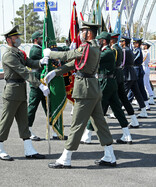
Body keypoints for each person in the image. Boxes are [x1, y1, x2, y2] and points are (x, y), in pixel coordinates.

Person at [44, 21, 117, 168]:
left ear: (88, 33)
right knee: (100, 123)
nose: (80, 34)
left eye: (82, 31)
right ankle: (110, 155)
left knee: (77, 125)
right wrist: (56, 72)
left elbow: (68, 55)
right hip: (93, 89)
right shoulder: (95, 47)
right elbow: (73, 63)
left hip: (85, 90)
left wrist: (50, 53)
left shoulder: (86, 47)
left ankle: (66, 158)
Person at [0, 26, 49, 161]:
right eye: (16, 37)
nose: (18, 39)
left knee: (23, 121)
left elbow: (29, 63)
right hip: (12, 92)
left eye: (18, 37)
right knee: (6, 120)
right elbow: (23, 71)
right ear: (9, 40)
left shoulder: (18, 53)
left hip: (20, 91)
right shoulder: (9, 55)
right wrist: (39, 85)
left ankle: (29, 149)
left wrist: (41, 62)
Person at [81, 31, 132, 144]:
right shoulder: (106, 51)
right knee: (117, 109)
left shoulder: (107, 52)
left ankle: (87, 135)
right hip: (109, 82)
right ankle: (127, 135)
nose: (97, 42)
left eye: (99, 40)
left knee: (96, 108)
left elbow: (93, 59)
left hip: (106, 82)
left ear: (103, 41)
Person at [109, 33, 140, 128]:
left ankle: (89, 131)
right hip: (121, 74)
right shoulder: (119, 49)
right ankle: (134, 120)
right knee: (124, 98)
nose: (121, 42)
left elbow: (119, 63)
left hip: (116, 75)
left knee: (108, 100)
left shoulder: (115, 49)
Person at [119, 36, 148, 118]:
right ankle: (143, 110)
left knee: (123, 93)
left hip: (128, 73)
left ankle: (116, 111)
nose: (120, 43)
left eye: (121, 41)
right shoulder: (130, 50)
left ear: (124, 42)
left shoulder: (124, 50)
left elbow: (123, 63)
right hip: (132, 73)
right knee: (137, 93)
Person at [27, 31, 46, 141]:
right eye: (40, 38)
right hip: (36, 82)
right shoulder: (35, 50)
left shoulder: (39, 48)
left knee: (48, 106)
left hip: (43, 81)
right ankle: (27, 130)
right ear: (35, 40)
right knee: (33, 106)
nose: (42, 39)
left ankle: (54, 130)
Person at [130, 38, 150, 110]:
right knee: (141, 88)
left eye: (134, 43)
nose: (133, 45)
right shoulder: (137, 50)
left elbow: (133, 59)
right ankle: (145, 104)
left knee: (134, 88)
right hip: (138, 70)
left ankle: (127, 103)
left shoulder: (137, 50)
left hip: (137, 70)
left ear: (137, 44)